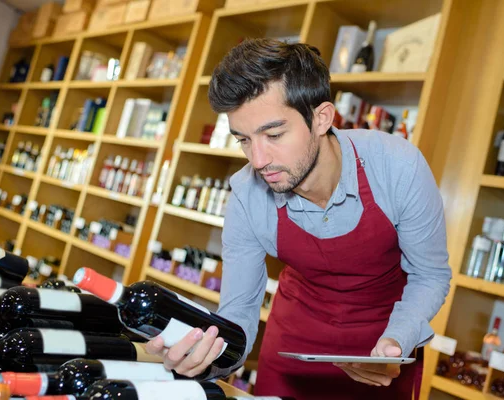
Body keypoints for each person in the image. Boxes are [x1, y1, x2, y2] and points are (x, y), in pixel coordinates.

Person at [146, 38, 452, 400]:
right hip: (293, 345)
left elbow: (430, 275)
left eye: (274, 134)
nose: (258, 160)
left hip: (384, 344)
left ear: (321, 118)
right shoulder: (246, 195)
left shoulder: (398, 167)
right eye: (244, 140)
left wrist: (396, 341)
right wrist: (206, 357)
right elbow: (238, 311)